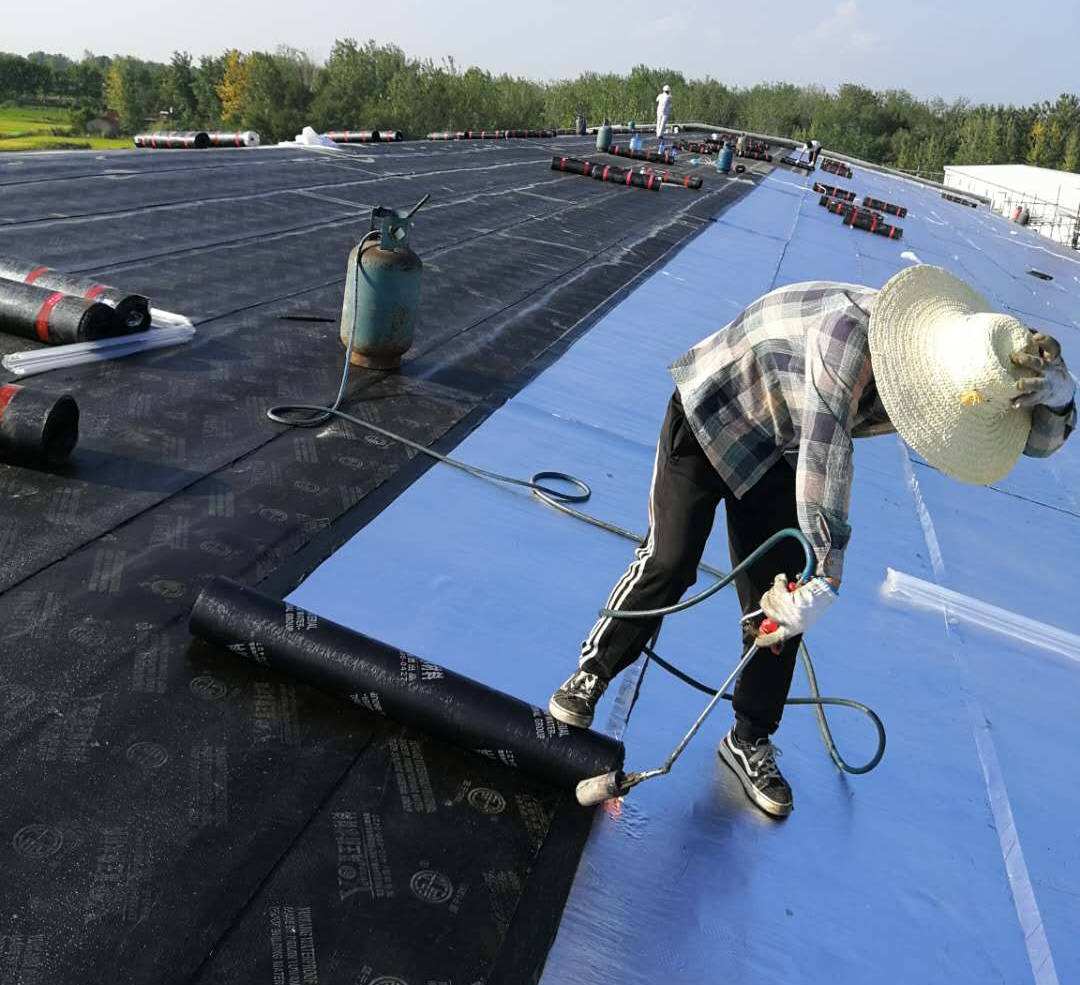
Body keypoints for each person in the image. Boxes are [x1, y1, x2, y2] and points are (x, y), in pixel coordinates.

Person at [548, 266, 1076, 818]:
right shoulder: (845, 336)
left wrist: (1061, 399)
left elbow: (1032, 440)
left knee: (780, 602)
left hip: (784, 450)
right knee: (671, 560)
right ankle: (592, 673)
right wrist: (827, 572)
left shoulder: (981, 359)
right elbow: (827, 453)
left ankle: (748, 737)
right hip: (715, 416)